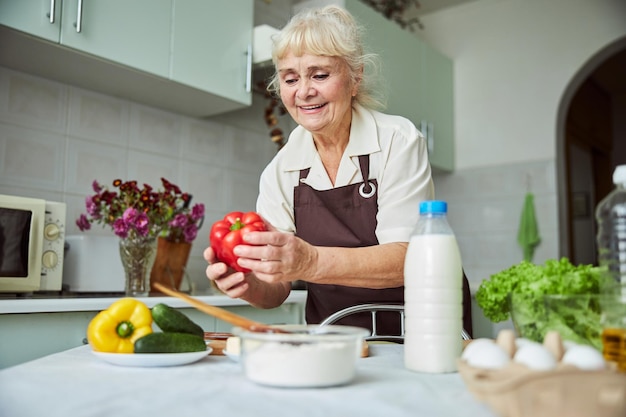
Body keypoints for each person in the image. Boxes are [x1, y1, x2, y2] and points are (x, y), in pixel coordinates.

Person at [204, 5, 472, 336]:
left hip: (420, 331)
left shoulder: (397, 141)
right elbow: (277, 287)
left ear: (355, 77)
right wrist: (248, 284)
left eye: (320, 74)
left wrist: (309, 261)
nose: (303, 91)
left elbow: (411, 258)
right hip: (336, 336)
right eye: (290, 78)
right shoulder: (281, 170)